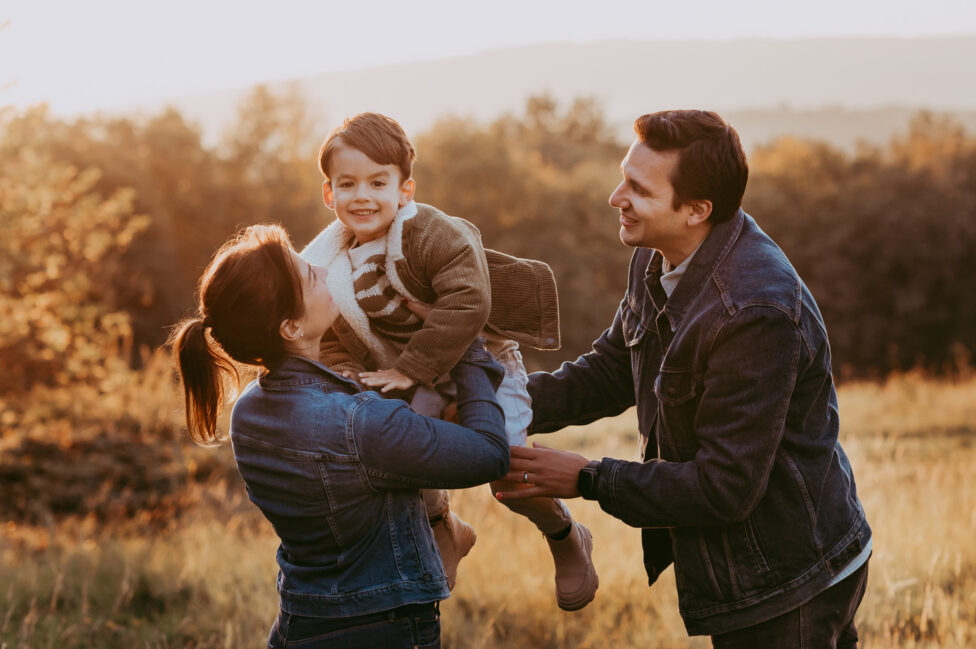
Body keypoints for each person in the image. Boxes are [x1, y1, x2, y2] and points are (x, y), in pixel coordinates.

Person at [497, 110, 872, 647]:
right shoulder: (657, 253)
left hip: (788, 578)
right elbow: (611, 370)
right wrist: (496, 405)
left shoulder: (754, 310)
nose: (615, 197)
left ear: (697, 210)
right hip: (757, 570)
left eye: (637, 189)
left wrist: (586, 478)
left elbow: (725, 488)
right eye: (623, 175)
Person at [300, 112, 598, 610]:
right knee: (399, 450)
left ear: (405, 189)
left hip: (481, 360)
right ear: (329, 194)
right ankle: (446, 528)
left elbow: (469, 301)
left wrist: (409, 369)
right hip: (406, 373)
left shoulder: (431, 233)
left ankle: (566, 535)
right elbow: (330, 338)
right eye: (347, 184)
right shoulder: (326, 265)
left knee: (506, 465)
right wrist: (355, 379)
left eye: (378, 181)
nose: (363, 196)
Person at [170, 224, 510, 648]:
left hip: (301, 622)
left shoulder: (248, 412)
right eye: (310, 275)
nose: (322, 269)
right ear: (291, 327)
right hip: (383, 629)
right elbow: (490, 454)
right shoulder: (359, 423)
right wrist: (468, 344)